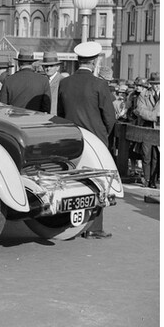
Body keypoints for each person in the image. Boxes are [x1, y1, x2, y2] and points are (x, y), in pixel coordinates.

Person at [57, 41, 116, 239]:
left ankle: (70, 224)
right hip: (95, 139)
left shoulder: (65, 83)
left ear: (79, 60)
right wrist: (104, 134)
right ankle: (94, 227)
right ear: (95, 61)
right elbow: (109, 117)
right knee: (98, 182)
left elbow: (61, 113)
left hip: (72, 137)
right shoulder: (100, 84)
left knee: (73, 180)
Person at [136, 72, 160, 188]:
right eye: (155, 84)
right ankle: (146, 178)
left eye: (159, 84)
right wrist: (155, 116)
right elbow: (141, 110)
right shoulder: (144, 95)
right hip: (147, 126)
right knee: (146, 154)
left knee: (156, 155)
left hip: (160, 128)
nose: (157, 86)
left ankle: (153, 180)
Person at [40, 51, 68, 115]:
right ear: (43, 67)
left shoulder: (63, 81)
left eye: (51, 66)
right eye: (46, 66)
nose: (48, 68)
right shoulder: (41, 81)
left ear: (58, 67)